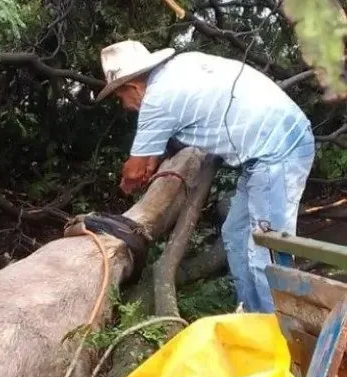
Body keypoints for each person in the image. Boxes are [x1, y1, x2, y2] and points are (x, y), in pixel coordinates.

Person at [96, 40, 315, 313]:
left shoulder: (156, 99)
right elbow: (164, 137)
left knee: (266, 250)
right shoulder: (180, 67)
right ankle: (251, 313)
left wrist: (127, 185)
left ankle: (281, 332)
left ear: (133, 87)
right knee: (235, 234)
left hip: (280, 150)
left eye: (120, 98)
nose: (125, 106)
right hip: (266, 151)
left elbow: (135, 171)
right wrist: (150, 160)